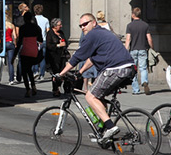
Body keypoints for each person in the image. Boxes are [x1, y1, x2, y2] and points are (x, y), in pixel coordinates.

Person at [55, 13, 137, 142]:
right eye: (80, 25)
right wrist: (80, 73)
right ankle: (102, 130)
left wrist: (61, 74)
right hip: (127, 67)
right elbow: (92, 59)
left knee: (90, 95)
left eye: (85, 24)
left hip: (115, 68)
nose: (83, 27)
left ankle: (110, 126)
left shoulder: (93, 34)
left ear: (94, 23)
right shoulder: (102, 33)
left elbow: (77, 57)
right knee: (99, 96)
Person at [125, 7, 153, 95]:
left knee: (134, 70)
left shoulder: (130, 25)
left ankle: (136, 90)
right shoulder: (145, 25)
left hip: (133, 50)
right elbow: (149, 39)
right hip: (143, 49)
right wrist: (152, 48)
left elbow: (128, 39)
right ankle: (144, 81)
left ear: (133, 15)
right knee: (143, 68)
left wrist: (126, 50)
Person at [16, 11, 43, 97]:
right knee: (29, 69)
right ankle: (33, 86)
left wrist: (15, 53)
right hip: (33, 50)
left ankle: (28, 89)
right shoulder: (37, 28)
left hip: (25, 50)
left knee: (25, 71)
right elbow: (41, 40)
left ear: (24, 19)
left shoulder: (22, 28)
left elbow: (20, 41)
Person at [46, 18, 68, 97]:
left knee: (62, 73)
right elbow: (48, 46)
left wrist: (64, 43)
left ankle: (60, 87)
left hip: (62, 56)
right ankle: (55, 89)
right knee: (55, 73)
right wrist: (58, 45)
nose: (61, 26)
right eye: (59, 25)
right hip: (53, 57)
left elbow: (65, 42)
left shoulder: (61, 33)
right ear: (54, 26)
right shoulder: (50, 33)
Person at [12, 3, 29, 85]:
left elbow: (17, 34)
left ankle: (19, 77)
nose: (28, 7)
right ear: (24, 9)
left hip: (22, 41)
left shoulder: (18, 20)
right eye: (26, 6)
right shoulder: (31, 18)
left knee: (21, 60)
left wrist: (16, 42)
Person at [33, 4, 50, 80]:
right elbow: (48, 31)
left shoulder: (33, 19)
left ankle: (36, 71)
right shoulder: (46, 19)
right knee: (42, 58)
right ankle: (42, 75)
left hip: (35, 40)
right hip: (44, 40)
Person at [4, 12, 17, 84]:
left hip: (3, 44)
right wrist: (15, 43)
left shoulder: (2, 26)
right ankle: (11, 79)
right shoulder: (12, 25)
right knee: (10, 62)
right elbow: (15, 36)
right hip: (10, 43)